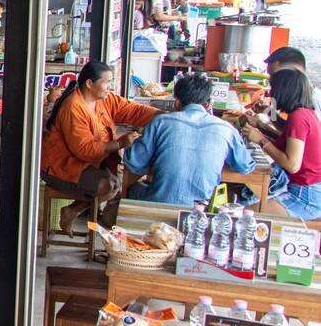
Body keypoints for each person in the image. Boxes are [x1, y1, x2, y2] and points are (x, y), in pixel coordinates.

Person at [41, 60, 159, 235]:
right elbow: (84, 150)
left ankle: (73, 210)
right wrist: (120, 143)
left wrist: (165, 117)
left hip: (88, 165)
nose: (110, 87)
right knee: (108, 185)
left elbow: (134, 111)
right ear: (89, 84)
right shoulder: (74, 107)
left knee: (115, 184)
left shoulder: (104, 99)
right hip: (60, 168)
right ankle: (72, 211)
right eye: (107, 82)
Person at [124, 72, 256, 206]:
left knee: (134, 189)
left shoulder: (160, 122)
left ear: (176, 102)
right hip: (200, 209)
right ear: (209, 104)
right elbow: (245, 167)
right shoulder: (226, 129)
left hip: (160, 203)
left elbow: (134, 163)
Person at [244, 68, 321, 220]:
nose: (270, 93)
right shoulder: (305, 113)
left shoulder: (298, 118)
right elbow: (285, 135)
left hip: (305, 197)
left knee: (246, 215)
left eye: (273, 88)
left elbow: (292, 164)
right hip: (308, 190)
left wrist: (261, 140)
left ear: (283, 90)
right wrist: (265, 116)